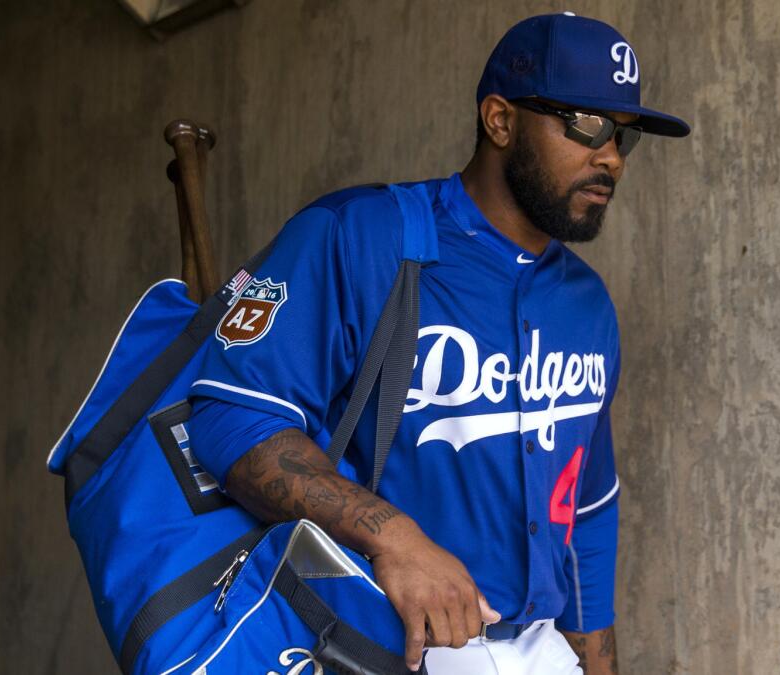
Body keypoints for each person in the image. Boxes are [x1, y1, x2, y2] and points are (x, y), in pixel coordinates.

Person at [187, 12, 688, 674]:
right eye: (586, 123)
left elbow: (588, 510)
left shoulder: (587, 305)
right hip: (379, 642)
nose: (611, 156)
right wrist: (395, 536)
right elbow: (230, 417)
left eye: (623, 135)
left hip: (538, 648)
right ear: (500, 120)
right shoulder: (359, 236)